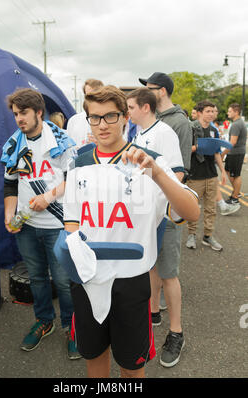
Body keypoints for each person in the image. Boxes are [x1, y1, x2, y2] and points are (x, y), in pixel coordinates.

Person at [62, 85, 200, 378]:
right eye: (94, 118)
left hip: (131, 281)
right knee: (95, 359)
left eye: (110, 116)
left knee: (132, 366)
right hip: (88, 280)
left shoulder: (148, 160)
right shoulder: (79, 162)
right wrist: (72, 245)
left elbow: (191, 212)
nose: (102, 125)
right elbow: (72, 217)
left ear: (126, 116)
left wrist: (159, 174)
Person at [2, 88, 81, 359]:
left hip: (58, 223)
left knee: (62, 279)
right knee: (37, 277)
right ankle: (44, 320)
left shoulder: (61, 140)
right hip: (27, 225)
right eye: (15, 114)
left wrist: (48, 196)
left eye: (23, 113)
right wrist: (8, 215)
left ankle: (72, 326)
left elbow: (74, 180)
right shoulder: (14, 143)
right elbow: (9, 185)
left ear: (38, 112)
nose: (19, 119)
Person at [138, 72, 192, 367]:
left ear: (160, 92)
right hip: (149, 211)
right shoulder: (144, 126)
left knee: (168, 270)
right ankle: (153, 312)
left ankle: (176, 332)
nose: (143, 93)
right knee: (152, 264)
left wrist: (162, 201)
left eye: (148, 88)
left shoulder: (178, 124)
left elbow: (180, 173)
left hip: (168, 210)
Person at [186, 100, 227, 251]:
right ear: (200, 112)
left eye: (213, 111)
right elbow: (184, 149)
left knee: (211, 208)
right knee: (193, 207)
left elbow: (216, 152)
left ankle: (208, 236)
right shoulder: (190, 128)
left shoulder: (214, 130)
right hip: (195, 175)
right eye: (208, 111)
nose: (211, 114)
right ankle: (191, 234)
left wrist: (222, 171)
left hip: (211, 174)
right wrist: (198, 147)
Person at [211, 105, 240, 216]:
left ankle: (233, 198)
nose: (214, 113)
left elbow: (217, 149)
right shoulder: (206, 127)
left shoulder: (214, 127)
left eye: (215, 111)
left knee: (214, 181)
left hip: (215, 158)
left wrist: (222, 156)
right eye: (210, 111)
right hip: (203, 161)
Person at [221, 103, 247, 204]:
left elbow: (232, 142)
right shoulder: (238, 122)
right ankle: (236, 191)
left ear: (236, 112)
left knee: (235, 175)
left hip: (236, 153)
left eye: (230, 111)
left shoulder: (237, 124)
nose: (228, 113)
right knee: (228, 171)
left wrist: (223, 153)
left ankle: (235, 197)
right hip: (234, 153)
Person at [66, 78, 103, 148]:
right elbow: (69, 147)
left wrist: (101, 144)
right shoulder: (74, 120)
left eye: (94, 94)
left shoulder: (109, 121)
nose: (90, 98)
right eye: (87, 95)